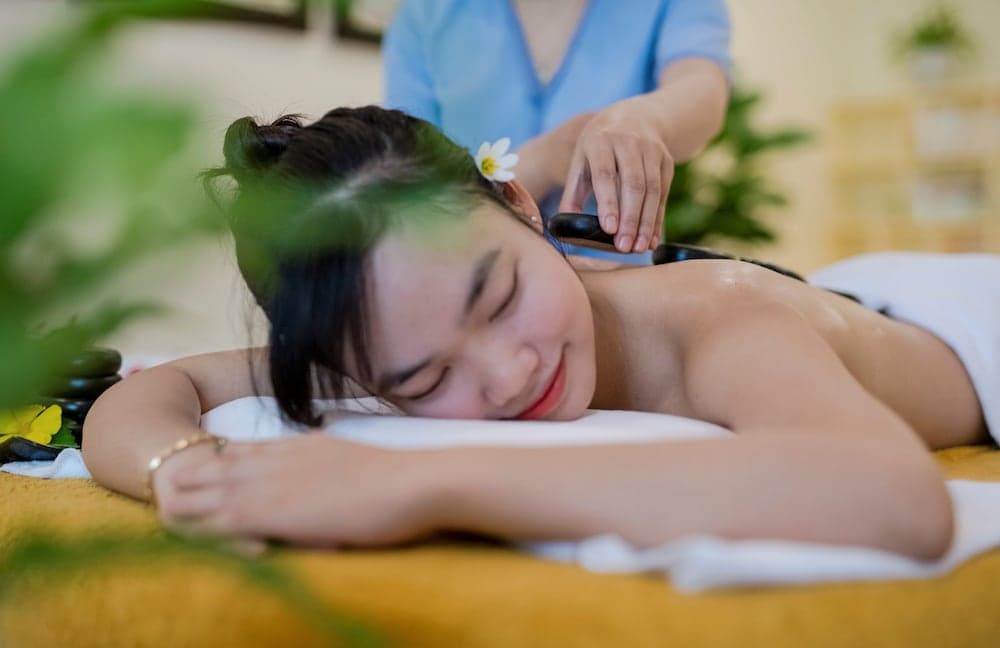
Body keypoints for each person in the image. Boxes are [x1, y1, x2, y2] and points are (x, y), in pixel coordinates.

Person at [83, 107, 994, 561]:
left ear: (521, 205)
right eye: (425, 380)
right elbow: (156, 390)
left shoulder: (717, 322)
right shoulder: (388, 341)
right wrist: (181, 471)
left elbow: (896, 499)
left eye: (498, 296)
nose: (508, 372)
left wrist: (419, 483)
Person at [383, 0, 731, 259]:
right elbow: (412, 191)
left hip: (619, 292)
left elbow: (702, 86)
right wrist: (542, 162)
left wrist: (647, 119)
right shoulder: (426, 12)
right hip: (476, 292)